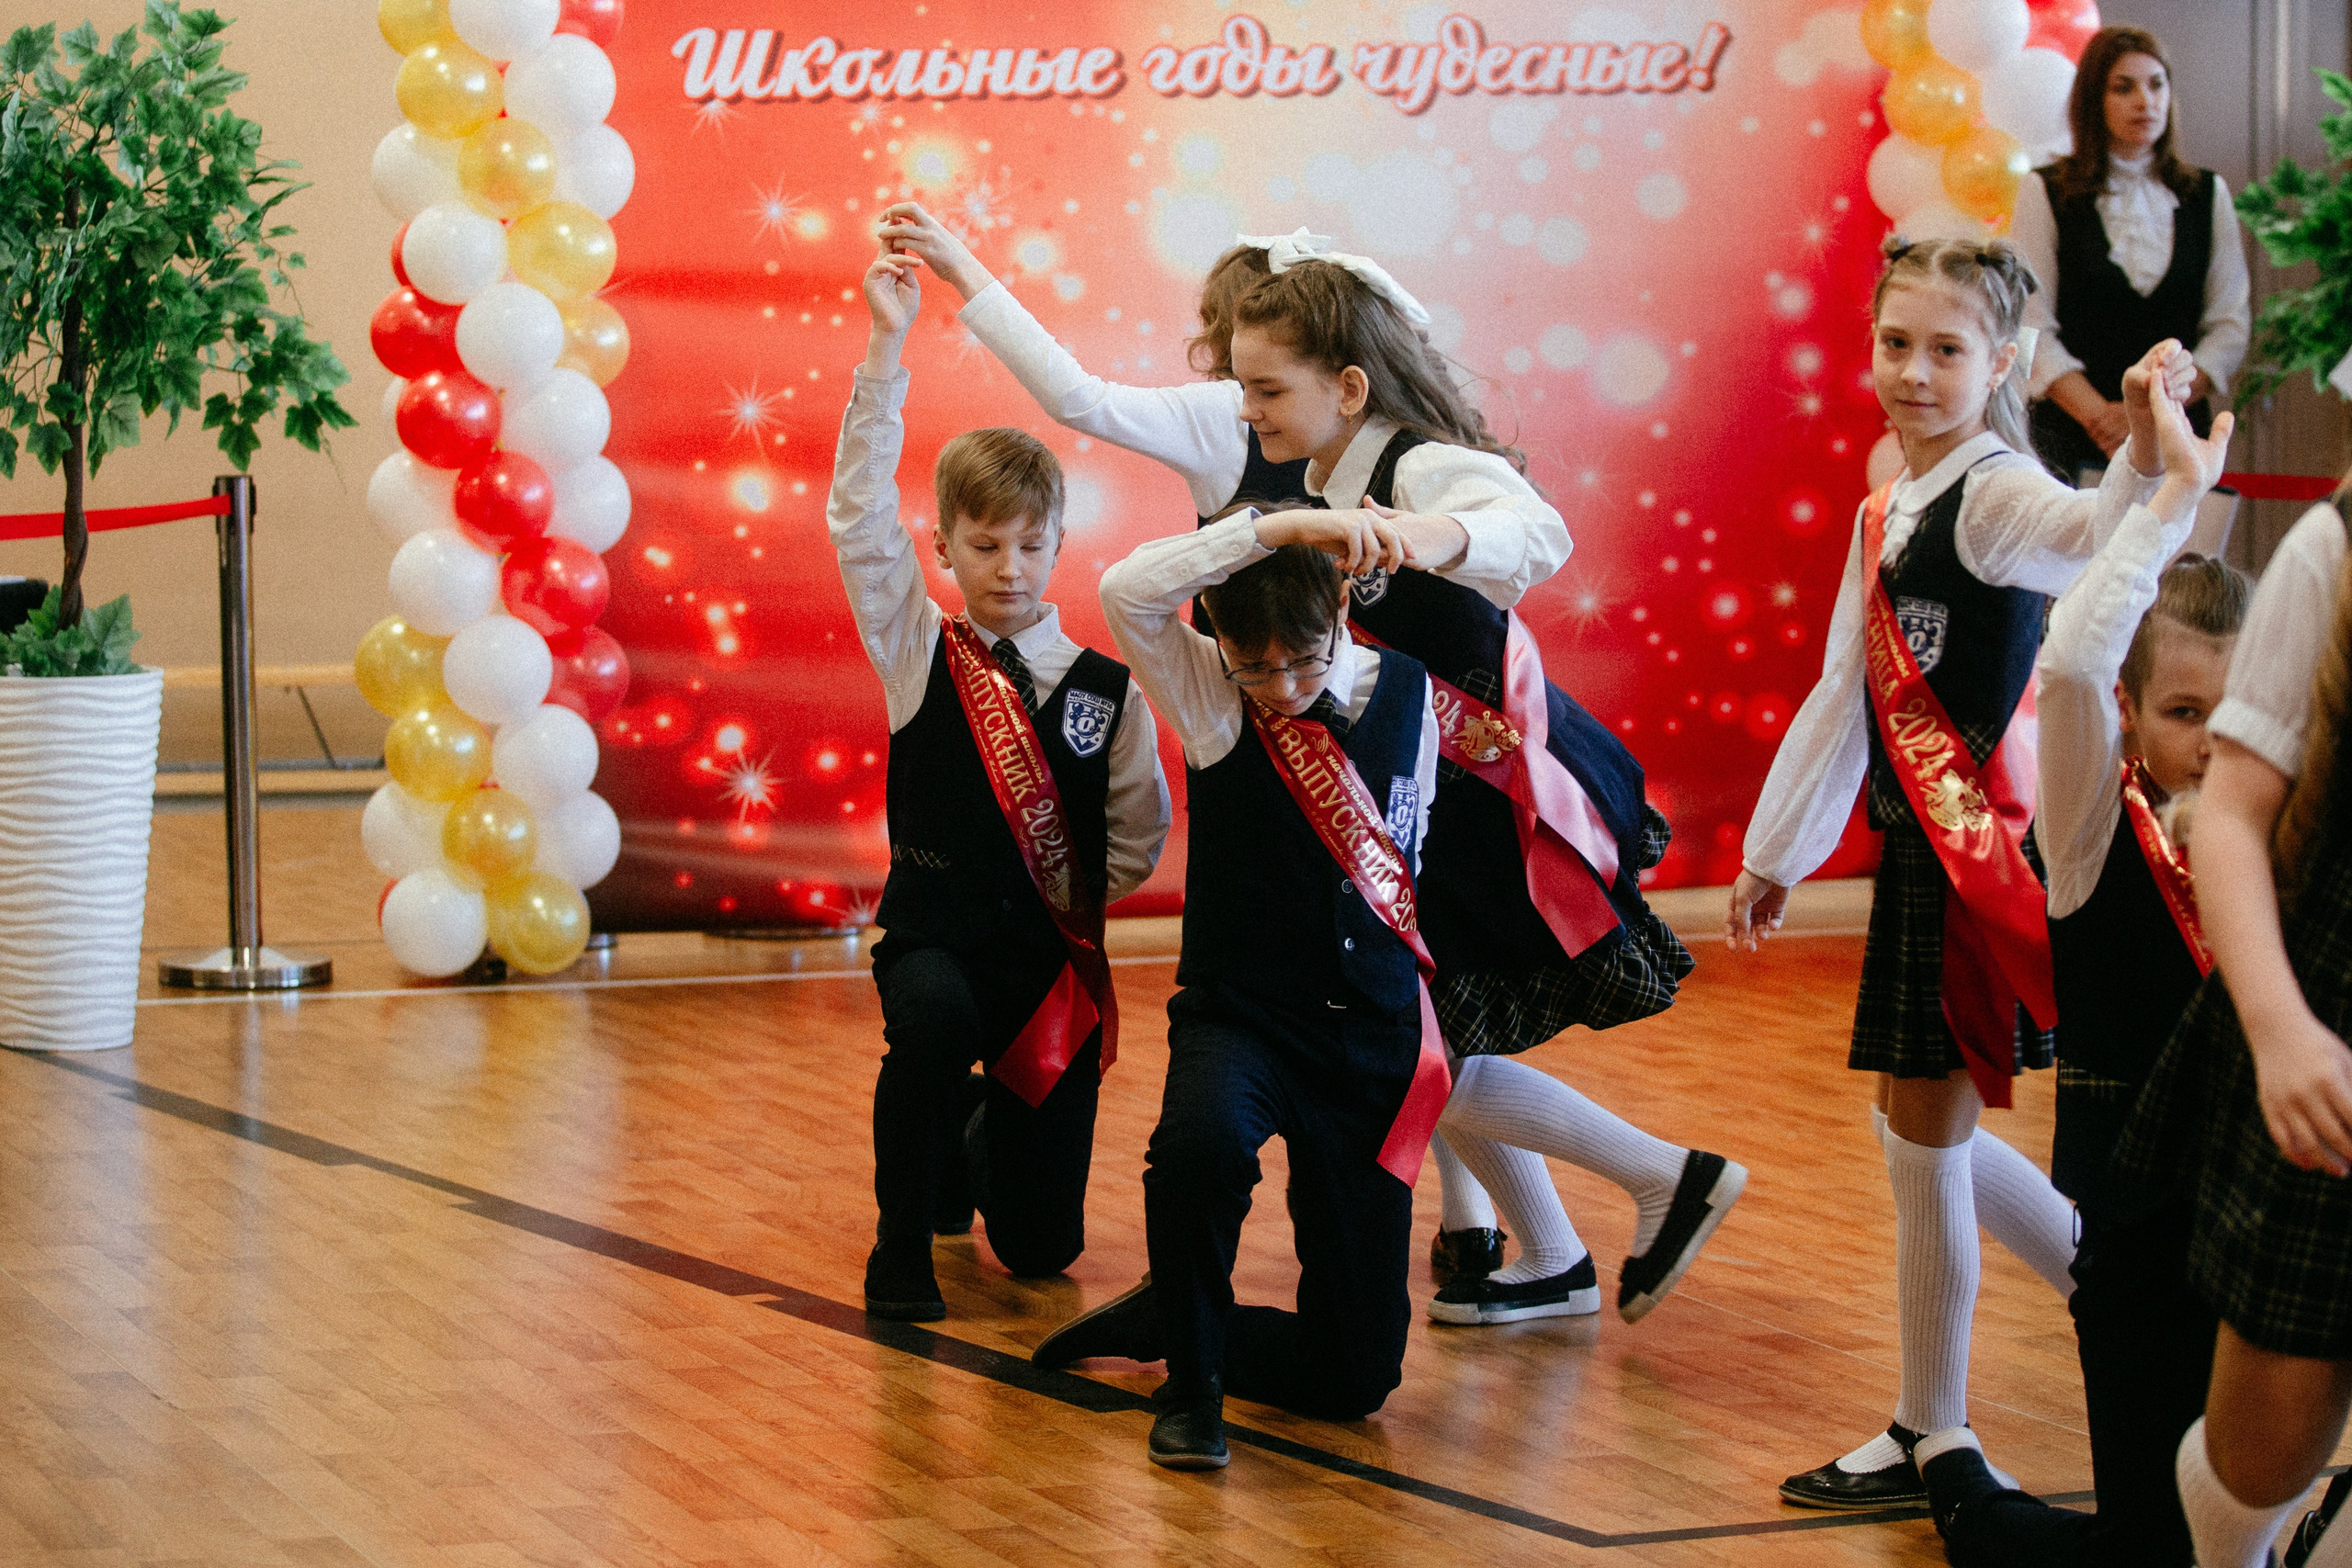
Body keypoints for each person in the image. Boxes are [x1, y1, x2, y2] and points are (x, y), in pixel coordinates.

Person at [880, 204, 1735, 1327]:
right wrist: (966, 275)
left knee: (1419, 1035)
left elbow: (1527, 529)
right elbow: (1090, 414)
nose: (1243, 409)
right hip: (1383, 787)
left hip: (1481, 792)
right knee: (1428, 1032)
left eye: (1261, 386)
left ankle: (1658, 1178)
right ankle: (1559, 1248)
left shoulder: (1418, 467)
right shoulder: (1303, 464)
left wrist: (1428, 536)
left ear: (1343, 379)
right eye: (1235, 381)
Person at [1727, 234, 2183, 1509]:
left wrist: (2143, 433)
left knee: (1925, 1144)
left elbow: (2092, 525)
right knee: (1917, 1134)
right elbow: (1846, 691)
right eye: (1894, 343)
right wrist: (1778, 850)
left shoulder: (1991, 495)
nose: (1915, 372)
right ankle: (2121, 1283)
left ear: (2003, 364)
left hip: (1979, 859)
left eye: (1946, 348)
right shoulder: (1888, 506)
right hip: (1912, 851)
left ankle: (1932, 1429)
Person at [1033, 505, 1444, 1469]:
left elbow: (1411, 840)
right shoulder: (1214, 699)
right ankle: (1194, 1390)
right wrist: (1278, 526)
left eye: (1302, 661)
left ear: (1341, 606)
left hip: (1369, 1033)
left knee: (1355, 1382)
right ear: (1218, 643)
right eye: (1254, 666)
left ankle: (1178, 1315)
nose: (1283, 687)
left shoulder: (1410, 691)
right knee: (1199, 1147)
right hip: (1244, 1015)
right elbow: (1127, 591)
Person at [1917, 354, 2239, 1565]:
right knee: (2159, 1545)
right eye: (2181, 713)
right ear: (2137, 720)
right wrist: (2170, 503)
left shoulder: (2285, 829)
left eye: (2232, 707)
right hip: (2146, 1241)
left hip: (2266, 1229)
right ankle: (1968, 1496)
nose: (2208, 742)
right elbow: (2066, 665)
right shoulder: (2096, 830)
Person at [829, 245, 1170, 1322]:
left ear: (1062, 540)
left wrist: (1064, 903)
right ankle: (899, 1246)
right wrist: (885, 350)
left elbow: (1136, 834)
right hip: (932, 936)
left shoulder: (1107, 691)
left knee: (1041, 1253)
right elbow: (854, 522)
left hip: (1046, 967)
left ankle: (975, 1140)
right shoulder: (915, 649)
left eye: (1031, 545)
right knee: (927, 1028)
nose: (1010, 568)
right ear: (947, 546)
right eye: (984, 546)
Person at [2104, 468, 2352, 1568]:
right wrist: (2282, 1031)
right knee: (2269, 1443)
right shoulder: (2330, 552)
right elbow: (2233, 818)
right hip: (2330, 1018)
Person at [2011, 25, 2250, 480]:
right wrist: (2103, 418)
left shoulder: (2206, 193)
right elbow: (2027, 327)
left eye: (2156, 84)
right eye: (2124, 87)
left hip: (2176, 435)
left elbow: (2230, 326)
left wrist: (2152, 410)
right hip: (2069, 438)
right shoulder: (2045, 190)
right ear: (2093, 101)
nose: (2145, 100)